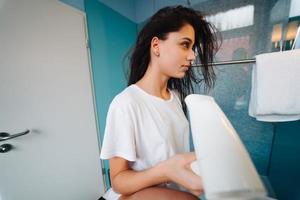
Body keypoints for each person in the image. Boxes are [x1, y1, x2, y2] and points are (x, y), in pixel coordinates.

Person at [100, 5, 219, 200]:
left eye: (192, 47)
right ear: (156, 46)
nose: (192, 55)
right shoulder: (126, 103)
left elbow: (172, 154)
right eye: (184, 44)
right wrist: (166, 171)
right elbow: (119, 181)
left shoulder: (176, 98)